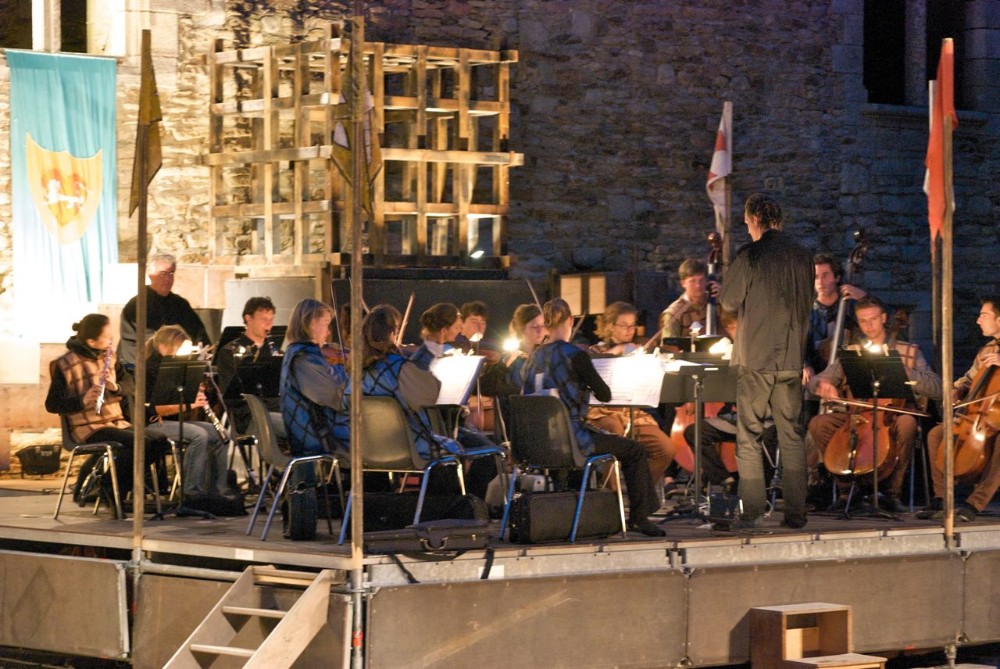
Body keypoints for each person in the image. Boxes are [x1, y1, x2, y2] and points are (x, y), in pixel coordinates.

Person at [521, 298, 665, 537]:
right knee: (635, 450)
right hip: (571, 440)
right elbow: (604, 395)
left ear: (546, 324)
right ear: (570, 321)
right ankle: (640, 517)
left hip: (538, 443)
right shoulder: (575, 355)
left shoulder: (532, 358)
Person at [719, 193, 814, 529]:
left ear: (756, 219)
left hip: (756, 358)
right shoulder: (804, 256)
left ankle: (752, 512)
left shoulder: (751, 255)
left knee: (749, 435)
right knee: (792, 436)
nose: (747, 228)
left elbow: (729, 301)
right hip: (791, 357)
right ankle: (796, 512)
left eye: (747, 223)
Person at [806, 295, 942, 512]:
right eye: (863, 321)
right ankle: (846, 489)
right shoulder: (852, 352)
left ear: (884, 318)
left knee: (907, 423)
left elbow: (937, 388)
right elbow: (817, 380)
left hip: (892, 418)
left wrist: (909, 374)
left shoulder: (908, 351)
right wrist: (822, 384)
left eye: (873, 319)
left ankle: (891, 493)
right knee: (819, 424)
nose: (869, 326)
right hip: (857, 416)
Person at [45, 313, 170, 506]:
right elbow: (52, 404)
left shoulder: (109, 356)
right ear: (91, 341)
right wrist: (83, 399)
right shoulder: (65, 364)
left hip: (115, 421)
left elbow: (129, 384)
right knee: (140, 443)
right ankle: (110, 487)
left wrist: (116, 387)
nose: (112, 341)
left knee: (159, 440)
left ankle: (113, 485)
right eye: (107, 337)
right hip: (87, 427)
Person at [918, 297, 1000, 522]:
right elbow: (969, 378)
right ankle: (942, 499)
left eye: (984, 315)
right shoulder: (987, 350)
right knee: (936, 434)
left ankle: (975, 503)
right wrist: (957, 388)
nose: (978, 320)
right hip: (983, 415)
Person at [586, 301, 675, 490]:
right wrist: (616, 351)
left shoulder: (637, 350)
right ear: (610, 326)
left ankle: (640, 492)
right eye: (624, 325)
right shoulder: (595, 351)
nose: (630, 331)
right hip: (602, 412)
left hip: (631, 411)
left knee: (665, 448)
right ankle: (612, 496)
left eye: (633, 325)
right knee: (614, 431)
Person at [143, 326, 235, 508]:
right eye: (179, 348)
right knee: (199, 435)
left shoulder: (179, 367)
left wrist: (195, 390)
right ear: (163, 347)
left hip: (175, 420)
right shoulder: (149, 370)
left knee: (221, 434)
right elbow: (155, 409)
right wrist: (190, 404)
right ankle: (191, 492)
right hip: (152, 423)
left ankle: (216, 491)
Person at [280, 299, 349, 456]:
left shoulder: (300, 353)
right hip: (319, 439)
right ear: (311, 323)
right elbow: (337, 395)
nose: (328, 332)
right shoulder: (303, 358)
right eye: (325, 324)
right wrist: (348, 370)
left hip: (319, 432)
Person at [118, 254, 211, 367]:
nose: (168, 279)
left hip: (179, 364)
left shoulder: (180, 304)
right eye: (163, 274)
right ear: (150, 275)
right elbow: (134, 344)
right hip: (144, 367)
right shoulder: (136, 306)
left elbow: (199, 334)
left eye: (171, 273)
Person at [214, 296, 281, 435]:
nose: (268, 325)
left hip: (275, 410)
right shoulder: (229, 352)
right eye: (263, 319)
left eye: (271, 320)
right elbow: (233, 397)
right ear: (248, 318)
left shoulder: (275, 352)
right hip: (247, 416)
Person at [660, 258, 719, 338]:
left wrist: (724, 296)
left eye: (701, 280)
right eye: (692, 281)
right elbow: (670, 344)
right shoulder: (673, 314)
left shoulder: (717, 303)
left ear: (707, 281)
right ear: (683, 283)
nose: (698, 285)